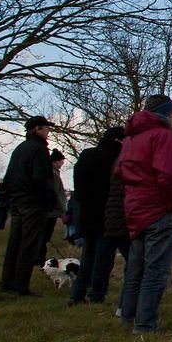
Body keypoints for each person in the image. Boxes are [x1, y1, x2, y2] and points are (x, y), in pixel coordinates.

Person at [117, 94, 172, 334]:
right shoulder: (163, 136)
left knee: (135, 268)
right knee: (155, 271)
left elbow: (119, 173)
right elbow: (170, 175)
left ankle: (127, 317)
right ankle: (145, 326)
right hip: (159, 211)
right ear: (166, 112)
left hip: (136, 211)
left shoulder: (129, 140)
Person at [0, 116, 57, 295]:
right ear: (38, 129)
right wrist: (46, 199)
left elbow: (8, 177)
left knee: (14, 244)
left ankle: (7, 281)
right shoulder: (39, 150)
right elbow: (41, 178)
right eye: (47, 128)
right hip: (33, 204)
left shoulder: (20, 149)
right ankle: (20, 285)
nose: (49, 131)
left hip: (17, 202)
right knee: (28, 245)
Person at [68, 127, 125, 305]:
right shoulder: (116, 160)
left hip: (86, 214)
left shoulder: (86, 156)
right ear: (119, 141)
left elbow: (78, 187)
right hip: (106, 215)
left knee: (88, 255)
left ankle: (77, 294)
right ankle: (97, 294)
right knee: (103, 258)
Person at [37, 149, 68, 266]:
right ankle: (39, 258)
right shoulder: (52, 173)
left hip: (50, 210)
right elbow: (56, 192)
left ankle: (38, 257)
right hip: (50, 211)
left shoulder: (54, 172)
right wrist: (62, 208)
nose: (62, 163)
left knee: (44, 235)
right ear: (55, 161)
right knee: (44, 236)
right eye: (61, 161)